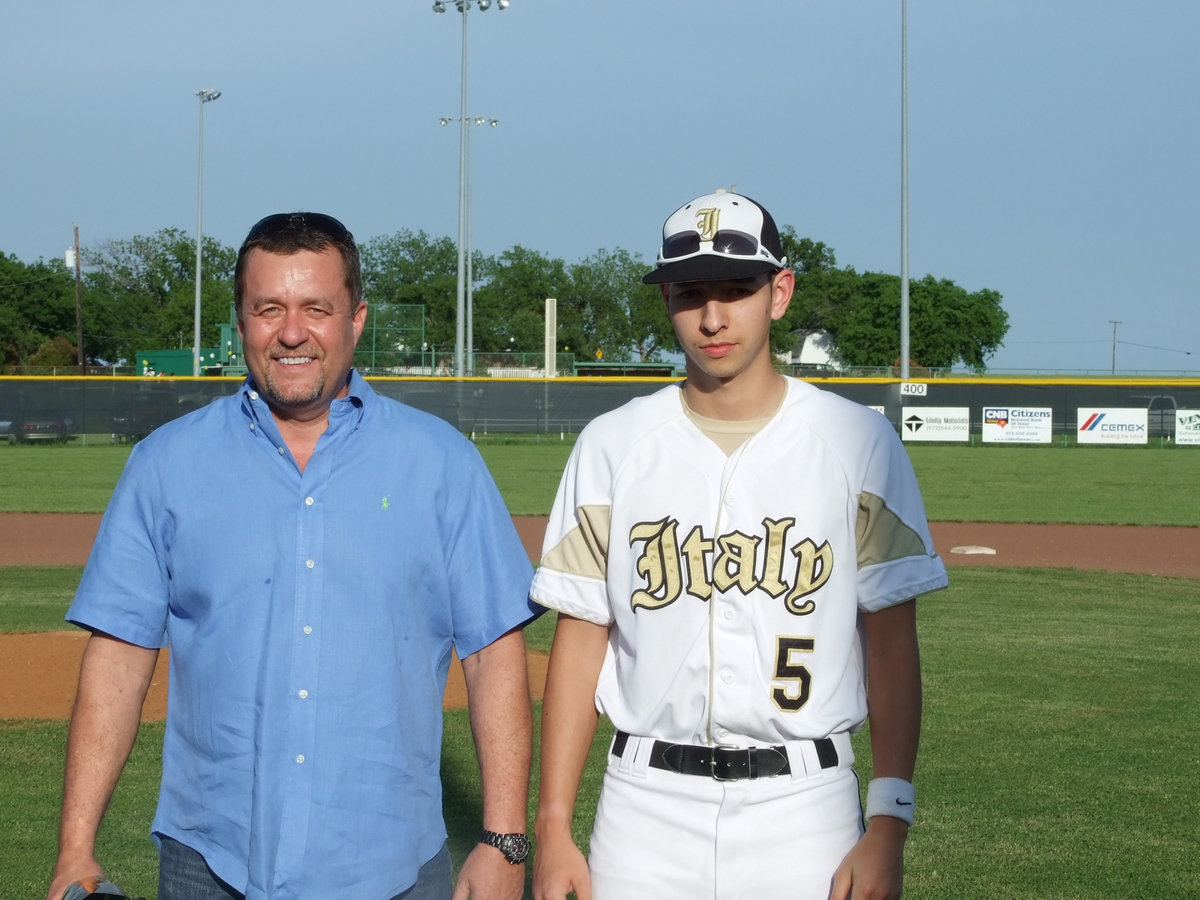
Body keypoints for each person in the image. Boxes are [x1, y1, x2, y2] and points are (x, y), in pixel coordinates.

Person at [47, 212, 539, 900]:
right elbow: (118, 659)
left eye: (317, 308)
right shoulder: (166, 463)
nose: (291, 332)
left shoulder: (442, 464)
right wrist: (75, 847)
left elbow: (493, 656)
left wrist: (503, 840)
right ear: (241, 321)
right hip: (209, 861)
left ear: (356, 319)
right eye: (268, 308)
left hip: (391, 863)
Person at [530, 190, 948, 900]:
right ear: (666, 298)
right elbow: (580, 639)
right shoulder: (614, 445)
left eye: (737, 290)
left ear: (779, 292)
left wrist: (889, 822)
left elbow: (890, 641)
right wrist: (552, 826)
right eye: (691, 293)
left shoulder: (858, 443)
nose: (713, 317)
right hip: (643, 809)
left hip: (805, 807)